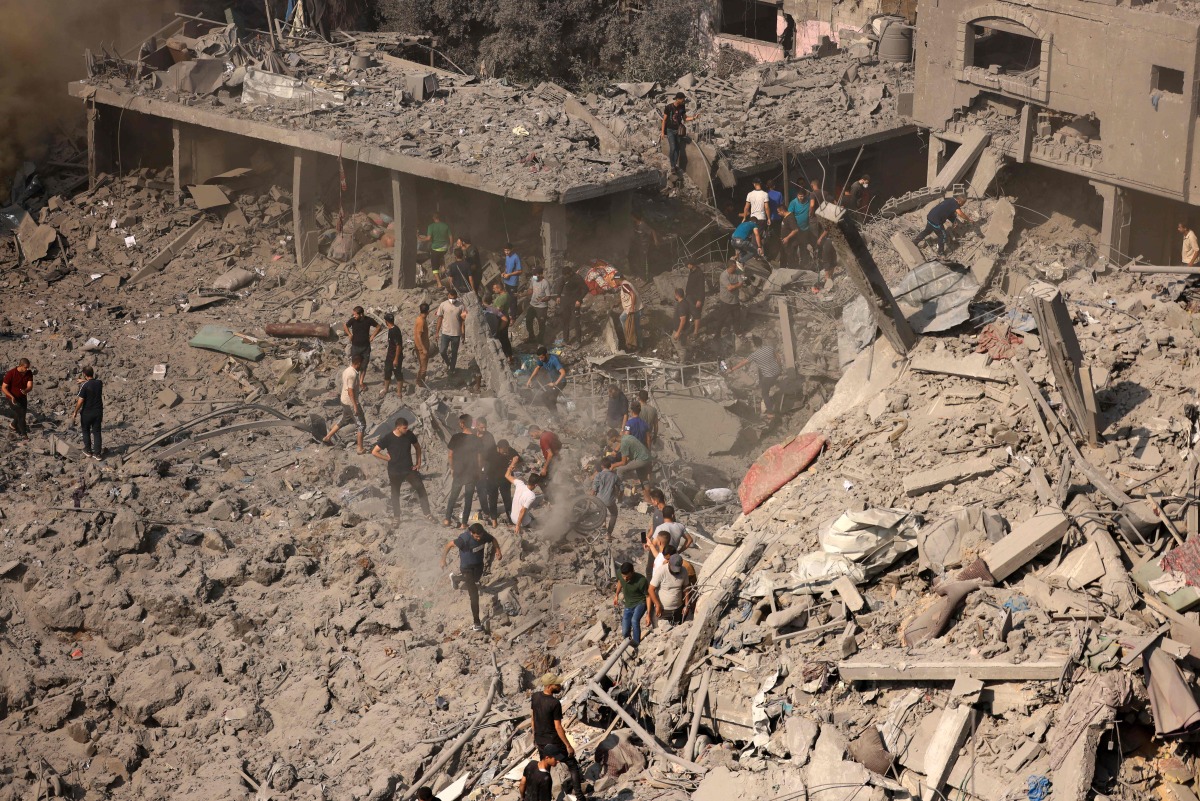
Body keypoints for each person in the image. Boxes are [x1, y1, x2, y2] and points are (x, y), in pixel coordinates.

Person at [530, 674, 584, 801]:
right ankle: (580, 797)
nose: (560, 686)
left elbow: (533, 718)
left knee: (545, 769)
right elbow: (558, 727)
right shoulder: (554, 703)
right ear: (550, 686)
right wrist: (568, 745)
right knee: (572, 764)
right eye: (557, 684)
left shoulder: (535, 697)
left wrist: (534, 735)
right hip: (553, 742)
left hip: (540, 741)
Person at [440, 522, 502, 631]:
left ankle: (455, 578)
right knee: (474, 594)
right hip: (466, 568)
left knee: (475, 579)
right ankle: (477, 622)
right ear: (471, 533)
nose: (479, 539)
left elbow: (493, 539)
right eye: (476, 536)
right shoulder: (464, 540)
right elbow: (449, 545)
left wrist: (498, 550)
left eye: (480, 536)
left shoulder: (483, 536)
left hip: (478, 566)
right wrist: (443, 559)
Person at [372, 417, 433, 519]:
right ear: (398, 427)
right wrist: (387, 458)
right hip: (394, 471)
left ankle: (427, 514)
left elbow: (417, 447)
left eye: (407, 427)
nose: (406, 429)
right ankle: (397, 517)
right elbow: (374, 451)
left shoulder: (409, 435)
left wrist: (418, 463)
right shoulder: (388, 438)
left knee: (421, 489)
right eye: (404, 428)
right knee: (395, 494)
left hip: (409, 470)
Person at [730, 335, 783, 418]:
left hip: (769, 377)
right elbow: (778, 357)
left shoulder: (754, 355)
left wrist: (732, 369)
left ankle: (770, 413)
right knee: (761, 370)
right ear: (762, 342)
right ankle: (767, 384)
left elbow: (743, 363)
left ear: (754, 345)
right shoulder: (769, 348)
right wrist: (779, 367)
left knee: (765, 394)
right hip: (777, 372)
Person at [323, 354, 366, 453]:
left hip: (344, 401)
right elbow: (350, 391)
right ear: (358, 363)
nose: (362, 365)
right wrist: (355, 406)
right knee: (361, 425)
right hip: (350, 402)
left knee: (344, 421)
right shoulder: (352, 374)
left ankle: (327, 437)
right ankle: (359, 448)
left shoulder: (347, 370)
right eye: (362, 363)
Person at [445, 414, 480, 528]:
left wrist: (452, 468)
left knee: (453, 496)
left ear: (462, 424)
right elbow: (480, 458)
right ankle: (464, 523)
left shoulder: (456, 437)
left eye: (460, 422)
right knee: (468, 498)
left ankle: (447, 520)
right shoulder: (476, 439)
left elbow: (450, 455)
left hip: (459, 471)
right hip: (472, 472)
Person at [613, 561, 650, 646]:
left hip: (640, 602)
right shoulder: (620, 573)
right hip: (628, 604)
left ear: (632, 572)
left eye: (628, 576)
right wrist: (616, 595)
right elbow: (620, 582)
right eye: (624, 576)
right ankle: (628, 645)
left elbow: (648, 597)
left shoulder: (641, 580)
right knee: (625, 630)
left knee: (634, 620)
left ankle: (636, 644)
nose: (625, 579)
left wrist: (648, 614)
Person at [649, 551, 691, 625]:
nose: (676, 572)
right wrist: (657, 605)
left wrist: (686, 605)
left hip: (678, 609)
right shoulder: (661, 571)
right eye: (673, 569)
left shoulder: (684, 571)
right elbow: (651, 589)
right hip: (663, 611)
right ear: (669, 563)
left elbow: (686, 589)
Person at [660, 92, 697, 174]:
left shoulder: (682, 107)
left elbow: (685, 118)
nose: (684, 100)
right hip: (670, 130)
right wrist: (662, 132)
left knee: (677, 148)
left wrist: (694, 118)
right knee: (673, 148)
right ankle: (672, 165)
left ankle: (674, 165)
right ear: (678, 99)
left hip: (679, 130)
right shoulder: (668, 107)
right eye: (683, 99)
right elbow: (664, 120)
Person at [343, 306, 380, 388]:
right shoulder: (353, 320)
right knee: (355, 365)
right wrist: (349, 334)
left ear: (361, 314)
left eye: (355, 315)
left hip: (365, 347)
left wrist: (373, 336)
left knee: (364, 365)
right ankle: (354, 381)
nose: (354, 316)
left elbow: (378, 326)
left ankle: (361, 382)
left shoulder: (369, 320)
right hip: (355, 346)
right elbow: (345, 325)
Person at [487, 439, 522, 524]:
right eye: (504, 450)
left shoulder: (510, 450)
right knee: (492, 500)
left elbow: (520, 459)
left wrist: (515, 462)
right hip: (492, 479)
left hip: (505, 479)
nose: (506, 451)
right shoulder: (491, 452)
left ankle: (511, 519)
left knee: (507, 500)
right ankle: (494, 520)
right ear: (498, 448)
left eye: (507, 449)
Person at [72, 366, 103, 459]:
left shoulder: (84, 386)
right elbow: (93, 382)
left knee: (86, 430)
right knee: (97, 432)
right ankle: (97, 453)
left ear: (84, 374)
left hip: (87, 413)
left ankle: (88, 450)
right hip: (98, 412)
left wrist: (75, 412)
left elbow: (80, 401)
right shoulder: (99, 383)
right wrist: (83, 380)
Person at [472, 418, 499, 524]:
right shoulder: (472, 434)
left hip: (486, 464)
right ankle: (485, 509)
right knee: (479, 488)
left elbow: (488, 451)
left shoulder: (489, 436)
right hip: (474, 465)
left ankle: (491, 511)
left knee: (487, 487)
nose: (484, 429)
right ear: (477, 426)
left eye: (485, 427)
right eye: (481, 427)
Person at [507, 465, 542, 544]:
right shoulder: (531, 495)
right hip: (521, 522)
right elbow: (522, 510)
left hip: (512, 517)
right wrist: (518, 526)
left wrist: (512, 465)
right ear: (536, 485)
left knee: (529, 514)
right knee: (536, 524)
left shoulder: (520, 483)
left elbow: (507, 475)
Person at [435, 290, 467, 373]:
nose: (452, 299)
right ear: (448, 296)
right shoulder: (443, 305)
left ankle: (452, 369)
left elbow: (463, 321)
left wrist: (463, 334)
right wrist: (437, 332)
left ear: (456, 297)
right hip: (445, 333)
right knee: (442, 351)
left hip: (456, 333)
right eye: (451, 297)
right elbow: (439, 319)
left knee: (454, 352)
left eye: (454, 297)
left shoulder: (461, 306)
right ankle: (448, 363)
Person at [590, 456, 623, 538]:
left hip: (599, 500)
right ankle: (608, 534)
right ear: (610, 465)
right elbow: (622, 488)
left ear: (602, 466)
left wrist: (590, 499)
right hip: (610, 500)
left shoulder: (598, 475)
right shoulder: (615, 476)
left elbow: (594, 489)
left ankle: (599, 530)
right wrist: (620, 498)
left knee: (600, 512)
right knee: (614, 514)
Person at [557, 269, 588, 346]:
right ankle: (565, 340)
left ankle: (578, 342)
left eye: (565, 275)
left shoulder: (577, 278)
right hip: (566, 302)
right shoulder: (564, 277)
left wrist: (579, 300)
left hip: (575, 302)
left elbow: (585, 289)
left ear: (570, 273)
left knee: (576, 322)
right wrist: (558, 296)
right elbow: (560, 285)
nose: (564, 277)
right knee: (565, 321)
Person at [713, 260, 744, 337]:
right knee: (722, 318)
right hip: (725, 301)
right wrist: (737, 285)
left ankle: (737, 332)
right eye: (734, 267)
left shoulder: (737, 272)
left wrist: (735, 286)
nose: (736, 268)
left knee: (737, 317)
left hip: (735, 300)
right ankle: (717, 334)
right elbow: (730, 288)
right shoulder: (724, 275)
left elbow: (741, 283)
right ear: (729, 267)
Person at [525, 268, 554, 345]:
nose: (534, 277)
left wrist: (542, 299)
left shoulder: (545, 283)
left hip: (542, 307)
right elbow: (531, 290)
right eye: (533, 275)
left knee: (541, 324)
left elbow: (548, 297)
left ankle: (540, 341)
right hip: (532, 305)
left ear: (541, 274)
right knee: (528, 320)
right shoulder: (533, 279)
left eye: (536, 275)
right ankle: (531, 337)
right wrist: (523, 294)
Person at [380, 312, 405, 398]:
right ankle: (385, 389)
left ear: (386, 321)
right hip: (389, 355)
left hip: (395, 356)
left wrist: (396, 359)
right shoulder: (392, 329)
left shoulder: (394, 331)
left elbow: (398, 346)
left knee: (398, 373)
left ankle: (399, 393)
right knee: (387, 371)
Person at [616, 276, 643, 351]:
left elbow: (633, 295)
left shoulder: (625, 285)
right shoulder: (627, 284)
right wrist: (618, 303)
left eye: (615, 280)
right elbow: (627, 296)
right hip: (638, 308)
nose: (614, 282)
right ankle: (638, 344)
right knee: (636, 327)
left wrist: (632, 307)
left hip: (634, 309)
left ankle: (629, 340)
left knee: (623, 319)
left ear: (618, 279)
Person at [629, 212, 660, 277]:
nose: (631, 218)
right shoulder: (635, 224)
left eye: (632, 217)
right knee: (636, 259)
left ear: (635, 217)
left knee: (644, 261)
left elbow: (652, 231)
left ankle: (646, 276)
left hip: (644, 246)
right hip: (638, 245)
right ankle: (639, 273)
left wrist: (656, 241)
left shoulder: (643, 225)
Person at [684, 261, 705, 340]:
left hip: (696, 297)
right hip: (690, 295)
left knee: (696, 314)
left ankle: (695, 332)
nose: (687, 266)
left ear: (691, 264)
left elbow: (701, 288)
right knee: (690, 312)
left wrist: (699, 300)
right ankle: (689, 328)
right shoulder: (692, 271)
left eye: (688, 264)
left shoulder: (699, 273)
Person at [413, 303, 431, 388]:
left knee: (423, 366)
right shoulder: (421, 321)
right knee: (423, 368)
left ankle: (420, 382)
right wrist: (423, 348)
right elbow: (418, 336)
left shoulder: (420, 319)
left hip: (421, 346)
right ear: (427, 311)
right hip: (421, 348)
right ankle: (420, 384)